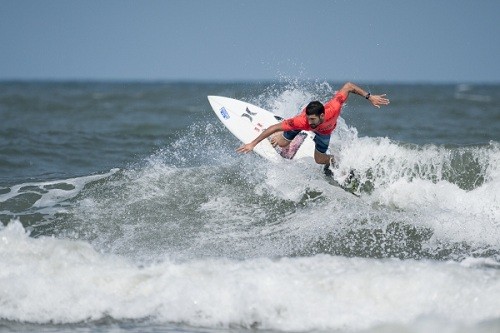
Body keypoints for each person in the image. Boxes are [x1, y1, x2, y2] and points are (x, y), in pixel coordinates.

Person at [236, 82, 390, 171]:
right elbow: (274, 127)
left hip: (325, 132)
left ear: (322, 116)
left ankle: (339, 161)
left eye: (313, 120)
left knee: (320, 160)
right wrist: (252, 144)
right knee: (281, 142)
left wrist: (369, 97)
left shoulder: (334, 107)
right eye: (308, 119)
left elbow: (349, 86)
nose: (310, 123)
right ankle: (288, 139)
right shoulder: (302, 121)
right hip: (297, 124)